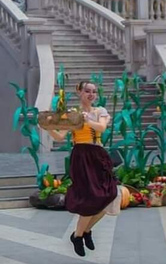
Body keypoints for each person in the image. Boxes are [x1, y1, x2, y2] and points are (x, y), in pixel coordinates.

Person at [45, 81, 120, 257]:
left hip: (99, 156)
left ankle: (82, 233)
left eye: (94, 91)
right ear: (79, 92)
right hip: (81, 157)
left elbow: (101, 127)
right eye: (87, 91)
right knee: (90, 197)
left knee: (109, 195)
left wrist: (85, 118)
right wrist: (48, 128)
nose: (91, 94)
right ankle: (79, 235)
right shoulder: (73, 114)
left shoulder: (100, 112)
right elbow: (59, 136)